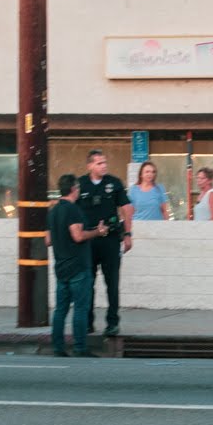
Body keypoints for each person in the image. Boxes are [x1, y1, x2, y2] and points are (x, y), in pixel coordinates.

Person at [46, 174, 108, 357]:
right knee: (80, 308)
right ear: (74, 189)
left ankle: (58, 347)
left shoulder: (53, 212)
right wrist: (98, 231)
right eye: (78, 188)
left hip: (61, 267)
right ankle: (80, 347)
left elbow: (48, 240)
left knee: (60, 310)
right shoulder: (73, 210)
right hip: (78, 266)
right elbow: (78, 236)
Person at [77, 149, 133, 337]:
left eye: (104, 162)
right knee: (87, 282)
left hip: (109, 239)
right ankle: (87, 321)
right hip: (89, 240)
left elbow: (126, 208)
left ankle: (112, 322)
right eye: (99, 163)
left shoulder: (114, 183)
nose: (104, 166)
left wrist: (127, 233)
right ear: (90, 166)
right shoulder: (81, 184)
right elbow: (72, 211)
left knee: (112, 282)